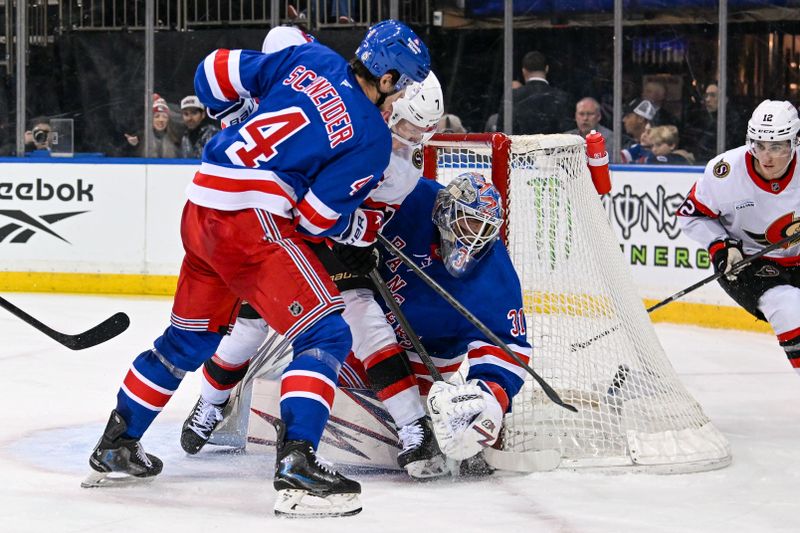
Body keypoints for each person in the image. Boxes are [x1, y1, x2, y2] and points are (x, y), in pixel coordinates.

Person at [82, 19, 430, 519]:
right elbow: (314, 219)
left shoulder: (314, 60)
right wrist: (358, 228)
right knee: (327, 334)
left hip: (201, 206)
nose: (401, 102)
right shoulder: (373, 138)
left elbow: (213, 71)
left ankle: (117, 444)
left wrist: (234, 116)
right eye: (405, 87)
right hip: (251, 224)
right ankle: (298, 467)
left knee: (187, 342)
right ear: (390, 78)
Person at [181, 66, 448, 480]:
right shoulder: (345, 117)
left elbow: (366, 219)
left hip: (331, 241)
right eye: (410, 125)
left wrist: (363, 243)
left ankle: (414, 425)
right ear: (390, 104)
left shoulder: (401, 170)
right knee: (248, 327)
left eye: (423, 130)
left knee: (365, 320)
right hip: (283, 231)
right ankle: (212, 403)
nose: (414, 138)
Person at [677, 99, 800, 378]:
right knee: (790, 306)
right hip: (747, 264)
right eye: (759, 145)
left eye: (777, 146)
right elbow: (691, 215)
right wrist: (721, 247)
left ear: (795, 142)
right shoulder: (725, 172)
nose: (766, 157)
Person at [496, 50, 573, 135]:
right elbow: (568, 133)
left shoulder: (511, 97)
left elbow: (501, 133)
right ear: (547, 69)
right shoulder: (562, 97)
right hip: (552, 147)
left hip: (520, 148)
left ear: (524, 71)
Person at [683, 82, 746, 164]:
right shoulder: (702, 118)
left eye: (713, 95)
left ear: (725, 99)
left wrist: (695, 155)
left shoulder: (733, 122)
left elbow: (725, 150)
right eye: (706, 96)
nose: (707, 100)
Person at [620, 98, 655, 163]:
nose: (623, 120)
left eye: (628, 116)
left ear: (641, 119)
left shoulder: (657, 148)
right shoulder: (626, 143)